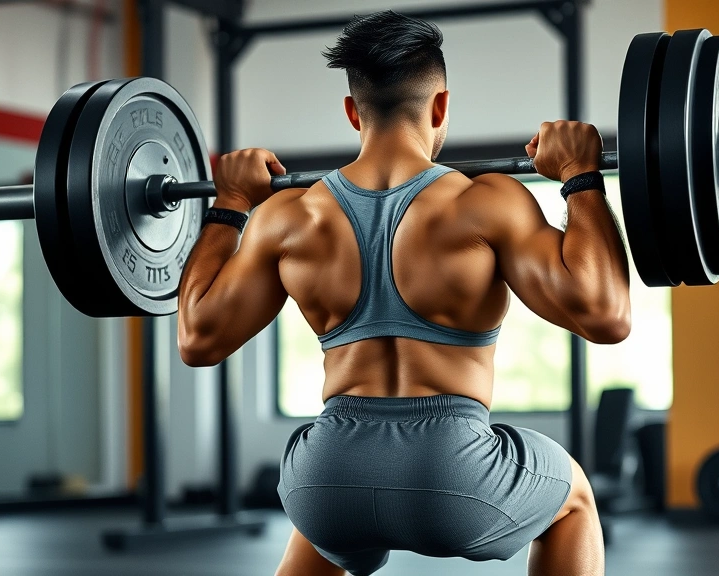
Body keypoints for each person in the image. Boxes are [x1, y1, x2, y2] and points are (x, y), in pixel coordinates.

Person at [177, 10, 630, 576]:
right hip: (451, 478)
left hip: (324, 476)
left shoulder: (287, 217)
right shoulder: (486, 203)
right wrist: (580, 176)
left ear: (352, 111)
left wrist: (229, 203)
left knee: (329, 506)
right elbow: (607, 315)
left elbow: (196, 338)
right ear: (440, 106)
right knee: (575, 499)